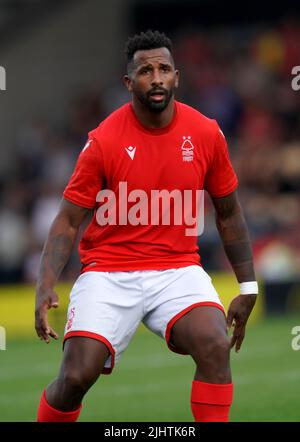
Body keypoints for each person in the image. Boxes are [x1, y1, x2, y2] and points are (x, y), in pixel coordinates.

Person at [35, 30, 257, 422]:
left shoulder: (206, 133)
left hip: (177, 269)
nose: (156, 78)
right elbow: (68, 220)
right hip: (108, 271)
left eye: (164, 69)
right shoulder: (103, 141)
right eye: (145, 71)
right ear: (128, 82)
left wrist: (248, 285)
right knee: (75, 376)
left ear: (177, 77)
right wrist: (46, 283)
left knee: (214, 345)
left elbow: (229, 212)